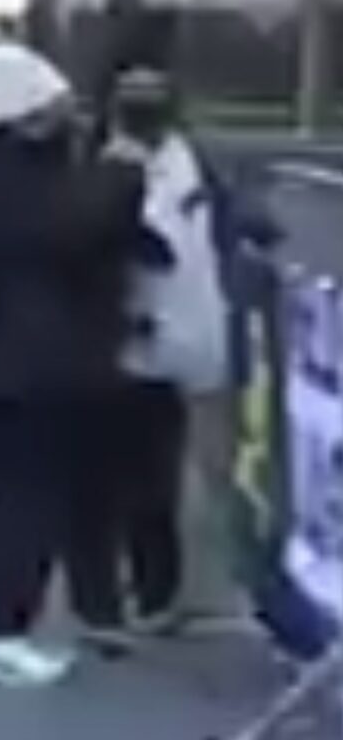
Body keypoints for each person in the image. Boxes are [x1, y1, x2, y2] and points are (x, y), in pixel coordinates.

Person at [0, 43, 163, 687]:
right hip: (30, 366)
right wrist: (122, 175)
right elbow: (65, 234)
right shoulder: (8, 180)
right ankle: (1, 631)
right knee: (26, 501)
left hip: (40, 361)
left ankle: (80, 612)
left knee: (69, 493)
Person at [102, 64, 268, 641]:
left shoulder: (194, 164)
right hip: (133, 343)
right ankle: (153, 587)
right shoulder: (104, 169)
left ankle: (210, 583)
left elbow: (245, 221)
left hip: (198, 332)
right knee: (145, 471)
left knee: (210, 464)